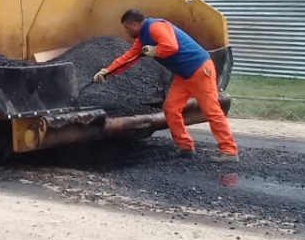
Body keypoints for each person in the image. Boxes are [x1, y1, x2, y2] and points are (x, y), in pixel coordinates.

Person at [94, 9, 239, 163]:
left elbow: (171, 46)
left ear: (133, 24)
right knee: (171, 108)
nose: (126, 31)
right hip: (183, 75)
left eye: (126, 27)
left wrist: (155, 50)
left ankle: (229, 151)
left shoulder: (155, 26)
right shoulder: (143, 38)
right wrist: (107, 71)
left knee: (211, 110)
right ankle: (185, 146)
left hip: (199, 69)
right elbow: (128, 58)